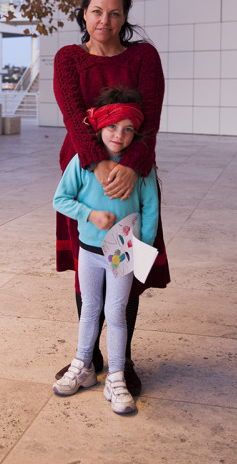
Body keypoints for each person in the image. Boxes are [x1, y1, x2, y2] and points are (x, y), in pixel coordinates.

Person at [53, 0, 170, 396]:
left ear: (124, 18)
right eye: (97, 11)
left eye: (115, 12)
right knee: (89, 268)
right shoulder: (68, 58)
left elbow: (151, 119)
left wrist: (134, 166)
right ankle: (90, 358)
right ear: (84, 13)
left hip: (132, 180)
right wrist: (100, 166)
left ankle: (123, 359)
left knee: (123, 271)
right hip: (85, 176)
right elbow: (72, 116)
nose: (105, 19)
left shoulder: (144, 57)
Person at [52, 87, 158, 414]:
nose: (119, 135)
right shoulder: (81, 164)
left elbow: (151, 209)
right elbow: (61, 199)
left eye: (128, 129)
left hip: (122, 250)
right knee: (90, 308)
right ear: (98, 127)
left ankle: (115, 377)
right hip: (88, 249)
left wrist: (143, 250)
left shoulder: (140, 168)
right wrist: (90, 215)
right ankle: (83, 365)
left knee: (115, 312)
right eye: (112, 126)